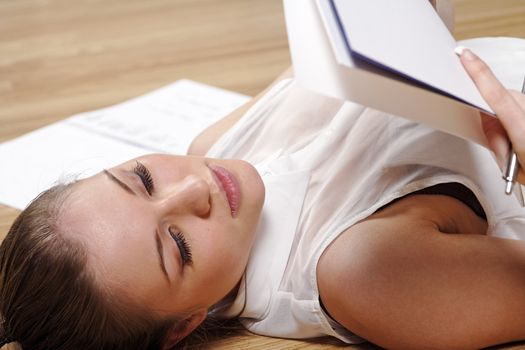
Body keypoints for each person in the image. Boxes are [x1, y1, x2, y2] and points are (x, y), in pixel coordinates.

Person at [2, 9, 525, 350]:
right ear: (187, 322)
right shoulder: (358, 275)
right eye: (179, 245)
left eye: (142, 179)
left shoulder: (215, 149)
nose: (194, 189)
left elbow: (388, 50)